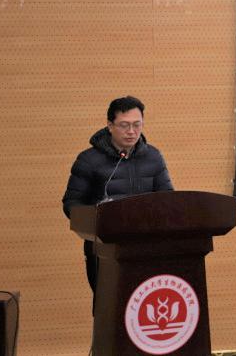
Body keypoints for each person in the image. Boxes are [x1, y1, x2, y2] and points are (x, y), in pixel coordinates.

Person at [62, 96, 174, 307]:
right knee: (110, 309)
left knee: (145, 308)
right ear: (110, 125)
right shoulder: (88, 160)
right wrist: (99, 221)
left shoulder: (154, 157)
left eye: (137, 125)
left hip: (147, 248)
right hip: (105, 251)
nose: (131, 131)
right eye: (124, 125)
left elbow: (168, 199)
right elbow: (72, 204)